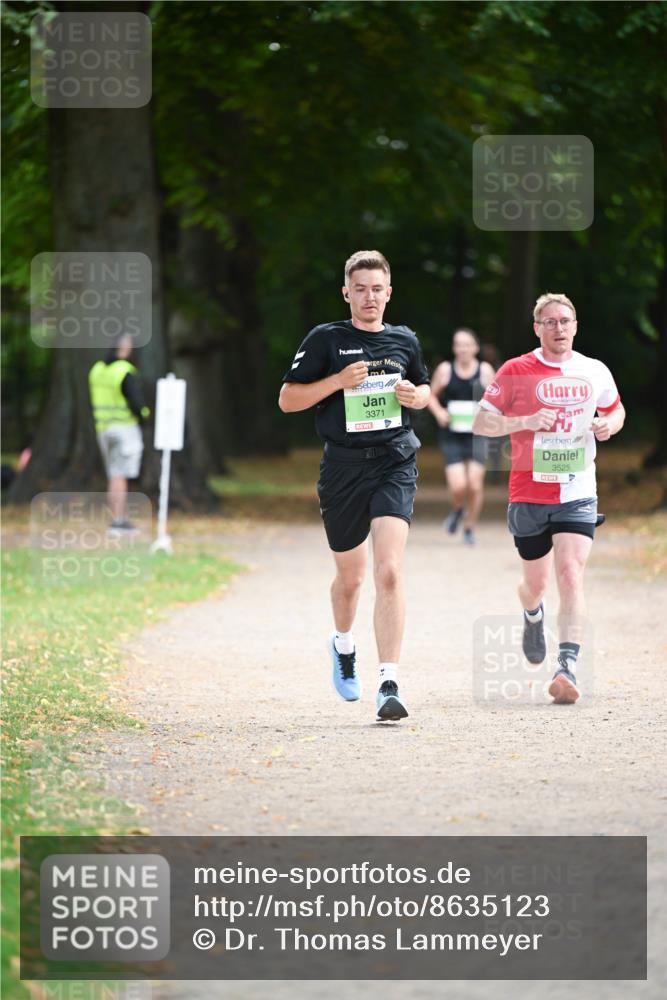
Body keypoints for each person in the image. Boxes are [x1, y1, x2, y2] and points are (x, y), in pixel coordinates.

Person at [279, 250, 430, 721]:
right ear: (347, 293)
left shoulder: (404, 339)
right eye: (359, 288)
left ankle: (389, 681)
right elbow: (287, 400)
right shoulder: (327, 339)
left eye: (377, 288)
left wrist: (416, 396)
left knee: (388, 571)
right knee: (352, 578)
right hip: (343, 468)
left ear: (389, 292)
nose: (369, 297)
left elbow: (423, 388)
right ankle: (343, 645)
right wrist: (337, 382)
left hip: (393, 461)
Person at [472, 292, 625, 704]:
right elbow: (481, 422)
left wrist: (608, 424)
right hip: (528, 492)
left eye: (565, 321)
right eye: (550, 322)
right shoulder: (515, 369)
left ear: (575, 326)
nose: (559, 328)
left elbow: (616, 409)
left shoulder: (594, 371)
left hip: (578, 491)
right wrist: (524, 420)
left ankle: (567, 666)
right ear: (537, 328)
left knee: (571, 573)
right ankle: (533, 614)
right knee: (535, 584)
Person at [428, 328, 495, 545]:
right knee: (458, 486)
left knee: (474, 485)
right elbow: (430, 394)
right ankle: (458, 510)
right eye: (458, 344)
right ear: (454, 348)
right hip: (453, 435)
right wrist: (439, 412)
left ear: (475, 347)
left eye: (467, 344)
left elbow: (497, 399)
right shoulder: (446, 370)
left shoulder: (485, 370)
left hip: (477, 435)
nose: (463, 349)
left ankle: (469, 527)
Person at [88, 334, 150, 532]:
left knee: (114, 475)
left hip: (103, 429)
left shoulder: (96, 370)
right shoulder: (123, 370)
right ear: (124, 347)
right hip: (124, 429)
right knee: (120, 475)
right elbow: (136, 402)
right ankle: (119, 521)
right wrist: (144, 416)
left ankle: (117, 518)